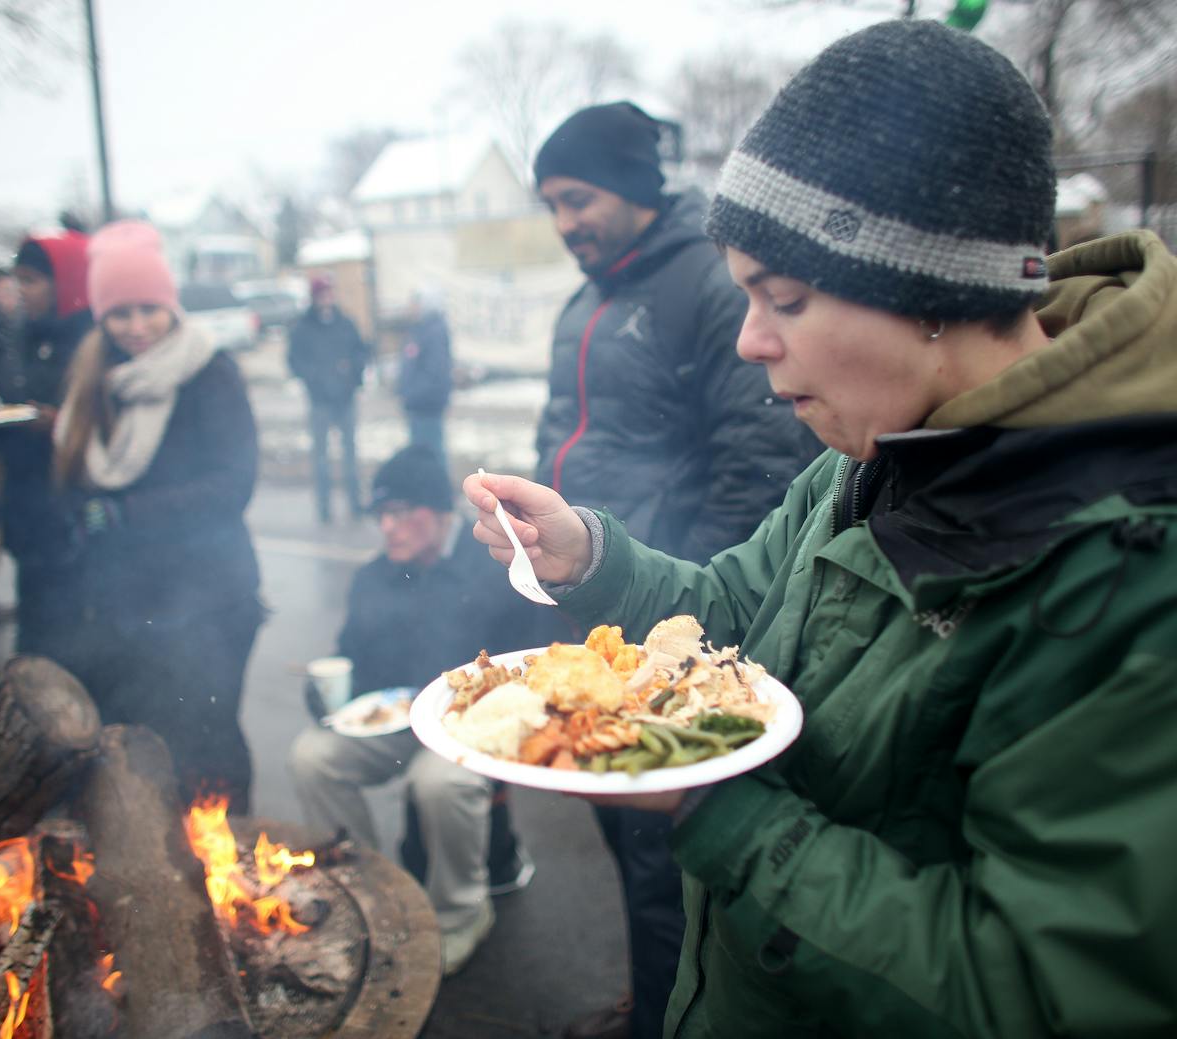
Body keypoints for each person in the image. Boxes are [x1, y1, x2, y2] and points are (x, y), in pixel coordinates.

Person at [466, 20, 1177, 1038]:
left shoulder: (1124, 575)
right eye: (746, 295)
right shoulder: (870, 453)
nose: (751, 339)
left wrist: (710, 803)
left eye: (785, 299)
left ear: (934, 294)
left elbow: (1034, 991)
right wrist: (591, 555)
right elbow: (729, 618)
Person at [531, 100, 821, 1039]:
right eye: (552, 206)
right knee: (621, 826)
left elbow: (755, 461)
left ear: (632, 186)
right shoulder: (587, 298)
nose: (567, 222)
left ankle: (667, 1014)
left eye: (579, 198)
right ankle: (653, 993)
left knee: (672, 852)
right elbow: (563, 432)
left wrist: (690, 633)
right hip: (599, 597)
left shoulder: (705, 281)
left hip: (680, 615)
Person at [288, 447, 565, 976]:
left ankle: (463, 913)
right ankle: (362, 895)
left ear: (439, 511)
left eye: (399, 513)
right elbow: (355, 661)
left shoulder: (495, 569)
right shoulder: (375, 577)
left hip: (471, 727)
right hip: (393, 722)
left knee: (439, 783)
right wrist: (331, 696)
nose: (387, 528)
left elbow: (534, 666)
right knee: (311, 756)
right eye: (380, 516)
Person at [53, 220, 263, 810]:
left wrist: (125, 514)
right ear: (101, 318)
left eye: (150, 309)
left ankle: (233, 861)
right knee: (143, 743)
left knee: (207, 738)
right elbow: (72, 479)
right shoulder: (94, 383)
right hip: (126, 601)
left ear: (170, 304)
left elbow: (231, 485)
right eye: (121, 314)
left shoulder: (208, 373)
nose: (137, 327)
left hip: (211, 598)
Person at [0, 229, 94, 661]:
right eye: (17, 278)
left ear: (66, 282)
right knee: (35, 648)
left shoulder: (94, 342)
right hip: (28, 515)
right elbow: (14, 397)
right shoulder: (24, 335)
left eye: (31, 279)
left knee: (71, 650)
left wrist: (59, 425)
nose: (21, 289)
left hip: (72, 523)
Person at [287, 273, 370, 523]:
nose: (327, 299)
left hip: (345, 399)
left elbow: (360, 352)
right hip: (320, 401)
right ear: (314, 298)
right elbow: (294, 361)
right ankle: (324, 508)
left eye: (329, 293)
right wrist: (314, 379)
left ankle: (354, 504)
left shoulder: (345, 323)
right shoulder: (302, 327)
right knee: (321, 458)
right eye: (322, 294)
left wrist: (353, 376)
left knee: (350, 455)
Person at [396, 286, 453, 468]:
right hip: (417, 403)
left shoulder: (434, 331)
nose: (411, 308)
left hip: (427, 404)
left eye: (415, 303)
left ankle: (438, 492)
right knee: (421, 452)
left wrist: (414, 393)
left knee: (431, 452)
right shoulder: (420, 329)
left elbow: (435, 372)